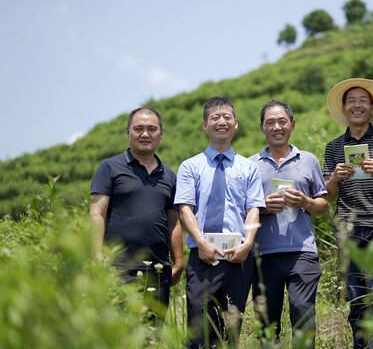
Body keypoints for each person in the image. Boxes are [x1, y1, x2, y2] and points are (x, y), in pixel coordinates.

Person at [175, 97, 265, 348]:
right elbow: (185, 209)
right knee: (198, 324)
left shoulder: (248, 167)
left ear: (235, 124)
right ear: (204, 125)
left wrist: (248, 244)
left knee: (230, 328)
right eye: (215, 117)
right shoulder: (190, 166)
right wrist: (202, 242)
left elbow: (253, 209)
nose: (221, 122)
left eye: (227, 117)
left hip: (237, 257)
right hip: (202, 256)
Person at [323, 78, 373, 348]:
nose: (357, 106)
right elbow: (329, 194)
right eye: (351, 101)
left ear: (371, 108)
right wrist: (335, 177)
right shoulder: (333, 147)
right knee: (356, 297)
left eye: (363, 101)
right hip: (348, 228)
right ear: (344, 109)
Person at [90, 107, 184, 323]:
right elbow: (96, 213)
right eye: (138, 129)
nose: (145, 134)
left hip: (158, 270)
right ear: (128, 132)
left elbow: (174, 224)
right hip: (118, 268)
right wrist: (96, 255)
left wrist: (178, 261)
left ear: (161, 133)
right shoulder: (109, 168)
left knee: (152, 335)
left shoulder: (169, 175)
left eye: (152, 129)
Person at [249, 100, 328, 347]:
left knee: (303, 316)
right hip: (263, 255)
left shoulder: (308, 160)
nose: (276, 127)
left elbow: (323, 206)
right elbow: (242, 211)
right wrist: (262, 207)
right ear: (262, 127)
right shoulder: (250, 165)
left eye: (282, 121)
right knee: (266, 324)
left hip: (302, 252)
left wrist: (305, 201)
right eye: (270, 122)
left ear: (292, 124)